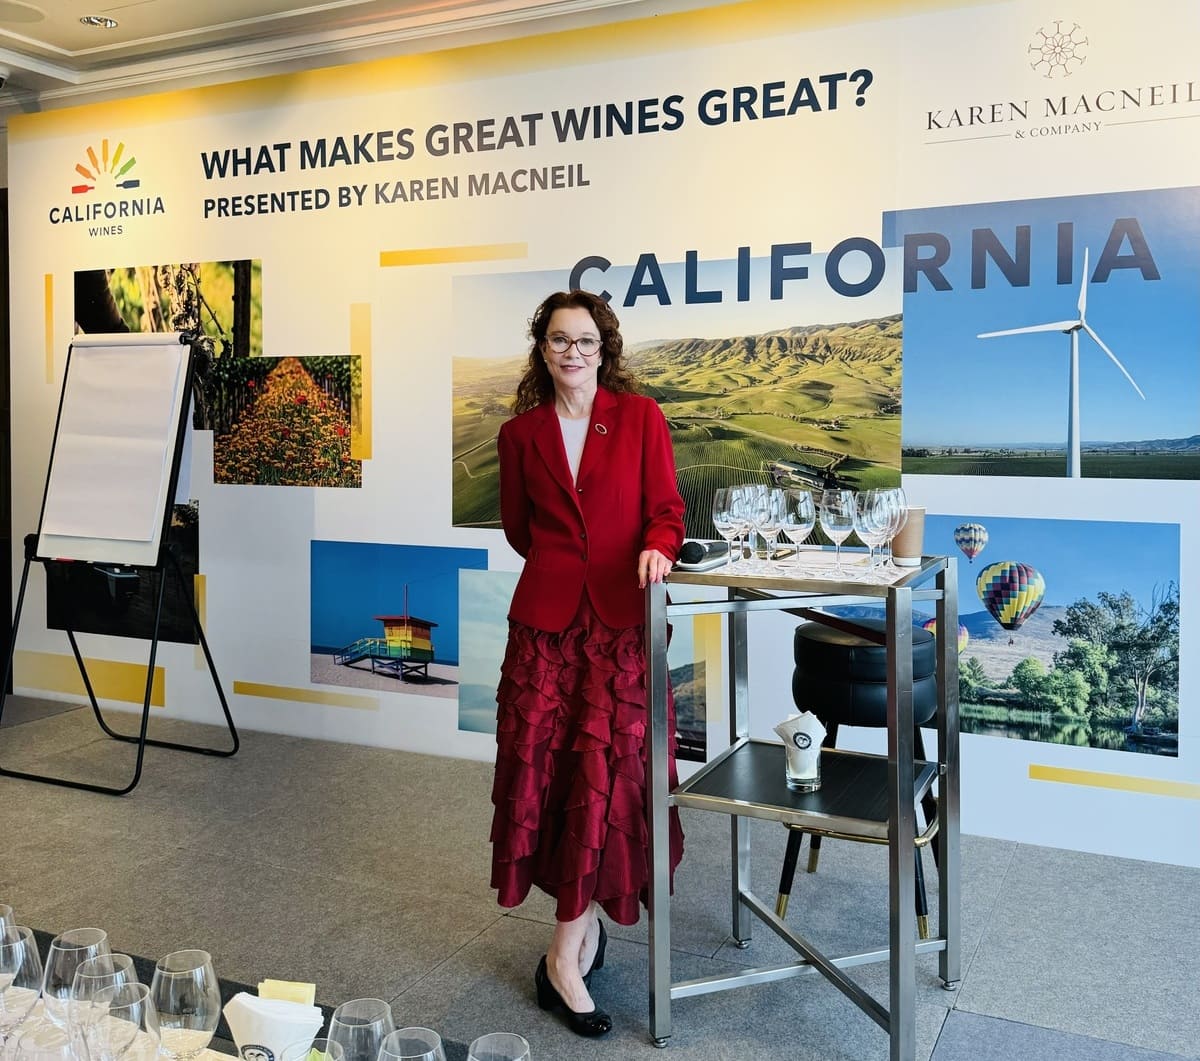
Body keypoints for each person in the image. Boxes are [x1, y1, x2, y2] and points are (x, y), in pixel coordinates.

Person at [488, 290, 686, 1038]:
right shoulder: (520, 435)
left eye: (587, 340)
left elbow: (666, 506)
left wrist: (657, 545)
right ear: (542, 349)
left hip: (621, 625)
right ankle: (569, 954)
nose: (573, 352)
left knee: (614, 781)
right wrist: (563, 569)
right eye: (559, 340)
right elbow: (519, 528)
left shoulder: (640, 418)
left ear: (606, 349)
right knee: (558, 780)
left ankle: (566, 948)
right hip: (544, 633)